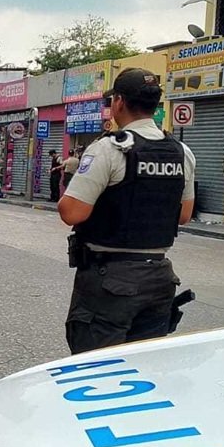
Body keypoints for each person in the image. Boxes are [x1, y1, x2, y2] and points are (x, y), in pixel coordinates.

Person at [57, 68, 196, 355]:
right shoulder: (181, 151)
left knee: (93, 368)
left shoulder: (109, 150)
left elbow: (71, 213)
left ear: (118, 102)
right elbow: (183, 215)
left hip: (110, 279)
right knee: (142, 367)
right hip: (159, 277)